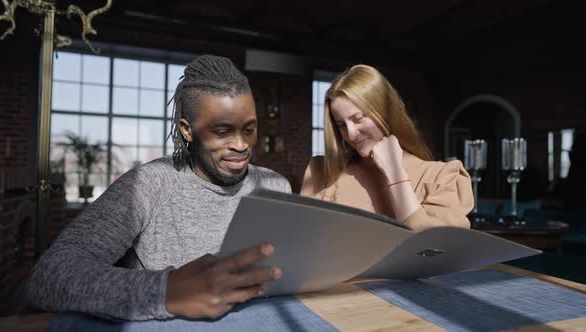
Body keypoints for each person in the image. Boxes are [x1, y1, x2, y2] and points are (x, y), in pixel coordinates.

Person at [26, 55, 291, 321]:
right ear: (187, 130)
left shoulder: (275, 185)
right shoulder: (149, 185)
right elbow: (49, 276)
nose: (241, 145)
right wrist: (167, 291)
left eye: (249, 129)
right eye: (222, 131)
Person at [301, 65, 473, 230]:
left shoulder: (443, 177)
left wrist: (394, 172)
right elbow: (304, 244)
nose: (351, 134)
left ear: (385, 112)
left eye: (358, 118)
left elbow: (432, 250)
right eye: (341, 125)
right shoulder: (322, 172)